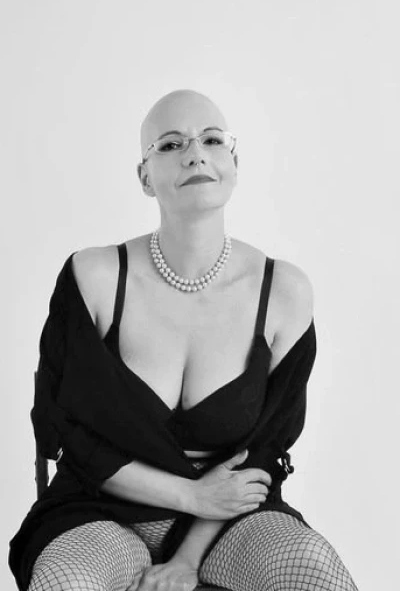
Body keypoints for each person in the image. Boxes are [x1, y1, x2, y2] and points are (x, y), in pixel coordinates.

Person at [9, 89, 358, 591]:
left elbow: (263, 452)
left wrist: (188, 559)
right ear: (144, 176)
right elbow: (67, 435)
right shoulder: (96, 277)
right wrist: (189, 494)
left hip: (227, 522)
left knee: (315, 569)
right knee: (67, 582)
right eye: (171, 145)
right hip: (98, 511)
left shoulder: (283, 292)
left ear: (234, 163)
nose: (196, 154)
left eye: (212, 140)